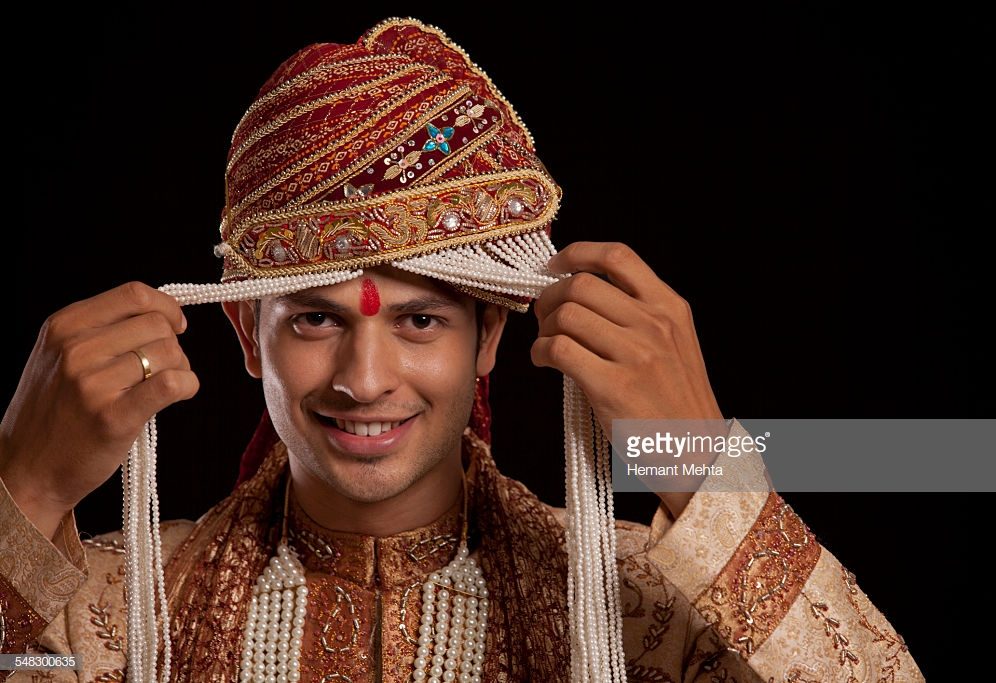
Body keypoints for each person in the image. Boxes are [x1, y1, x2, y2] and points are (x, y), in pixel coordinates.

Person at [0, 17, 925, 683]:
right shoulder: (116, 608)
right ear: (248, 336)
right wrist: (26, 491)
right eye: (317, 319)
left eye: (421, 320)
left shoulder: (639, 606)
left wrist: (703, 457)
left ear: (491, 331)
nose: (365, 382)